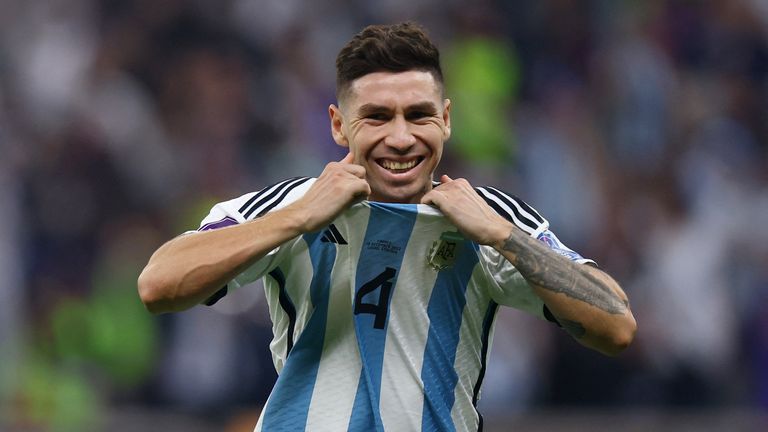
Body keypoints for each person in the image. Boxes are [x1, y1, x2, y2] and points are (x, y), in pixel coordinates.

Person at [138, 22, 636, 431]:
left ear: (445, 120)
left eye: (418, 115)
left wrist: (503, 237)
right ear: (338, 125)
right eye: (376, 117)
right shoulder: (292, 205)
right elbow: (159, 285)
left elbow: (616, 326)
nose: (400, 138)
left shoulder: (486, 217)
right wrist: (299, 218)